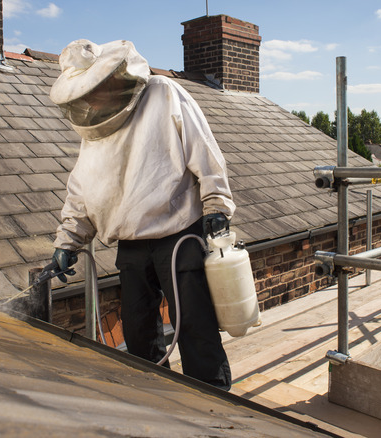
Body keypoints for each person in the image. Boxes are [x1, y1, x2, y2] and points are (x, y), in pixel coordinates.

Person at [48, 39, 235, 390]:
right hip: (131, 243)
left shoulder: (164, 94)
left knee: (194, 324)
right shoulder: (96, 129)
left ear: (112, 79)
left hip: (178, 231)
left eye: (94, 91)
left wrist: (217, 205)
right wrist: (67, 243)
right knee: (137, 330)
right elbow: (85, 190)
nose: (89, 102)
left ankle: (214, 401)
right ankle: (153, 396)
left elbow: (205, 150)